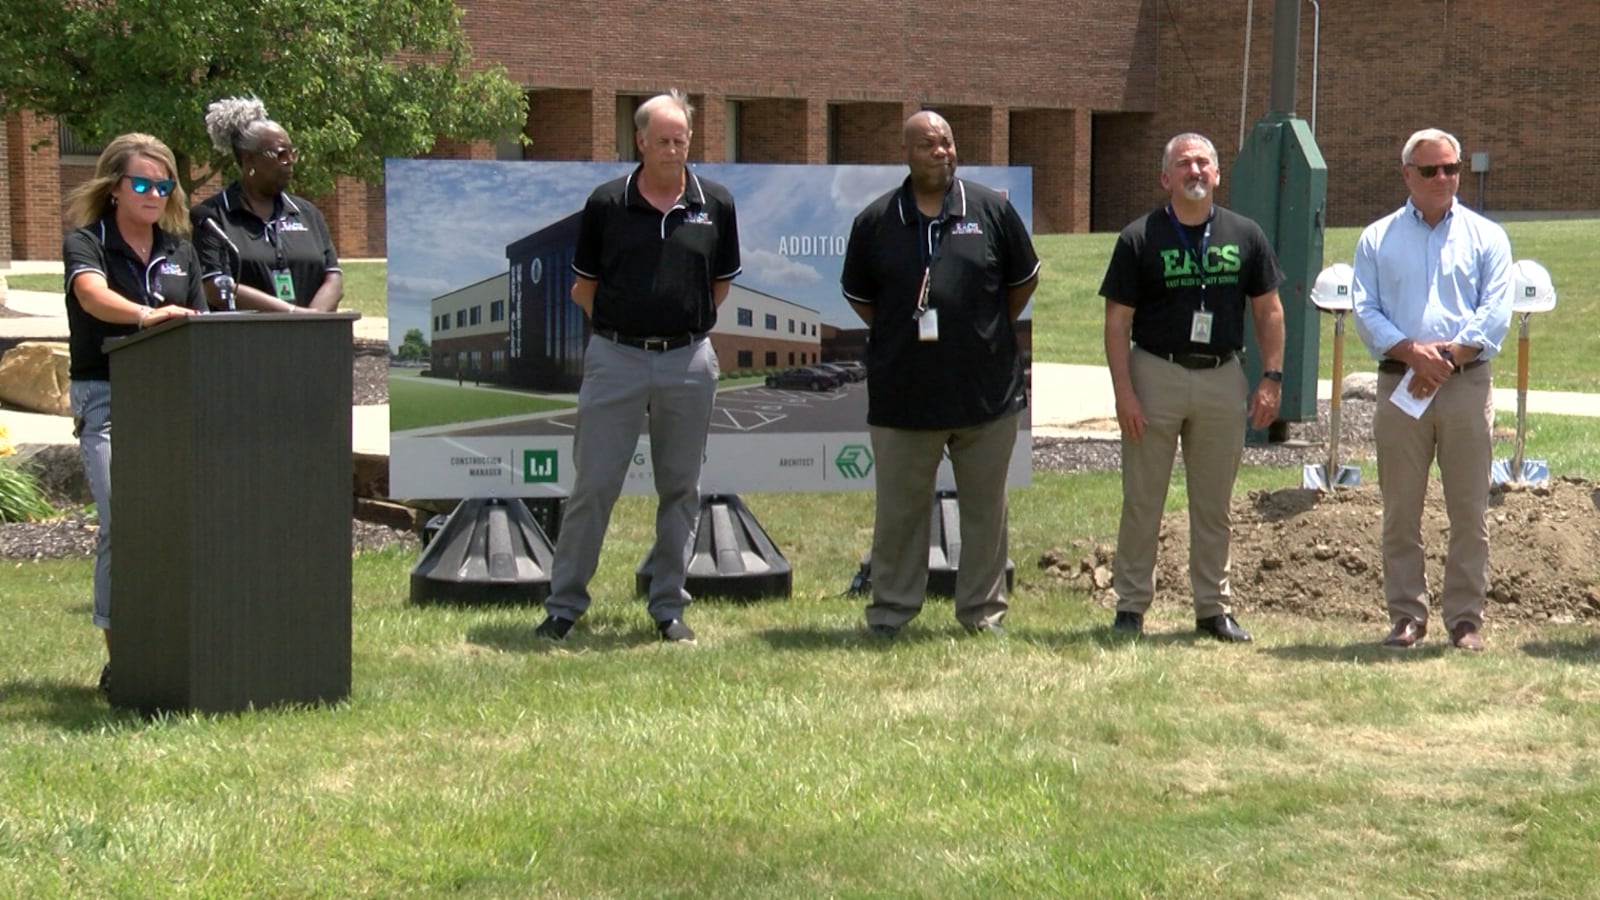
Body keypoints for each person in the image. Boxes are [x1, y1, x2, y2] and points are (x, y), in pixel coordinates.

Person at [534, 90, 740, 644]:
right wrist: (626, 328)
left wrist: (681, 324)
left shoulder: (715, 203)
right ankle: (564, 605)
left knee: (681, 488)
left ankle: (668, 606)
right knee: (594, 485)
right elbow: (583, 288)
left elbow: (718, 285)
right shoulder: (606, 204)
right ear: (640, 142)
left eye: (683, 139)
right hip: (616, 359)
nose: (674, 149)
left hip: (689, 361)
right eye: (663, 140)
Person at [839, 110, 1040, 638]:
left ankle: (982, 613)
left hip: (985, 395)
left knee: (985, 514)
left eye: (948, 142)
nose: (942, 152)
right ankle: (891, 612)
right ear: (906, 152)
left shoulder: (992, 210)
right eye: (929, 144)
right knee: (900, 515)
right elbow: (864, 301)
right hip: (904, 397)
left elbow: (1021, 285)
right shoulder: (876, 221)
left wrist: (975, 329)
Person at [1099, 132, 1285, 642]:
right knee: (1142, 499)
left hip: (1222, 375)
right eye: (1183, 164)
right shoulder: (1139, 237)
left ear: (1218, 174)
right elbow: (1117, 322)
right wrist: (1124, 393)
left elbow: (1269, 310)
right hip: (1155, 371)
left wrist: (1271, 377)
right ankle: (1131, 607)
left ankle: (1213, 609)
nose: (1195, 171)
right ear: (1166, 178)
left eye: (1203, 162)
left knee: (1214, 504)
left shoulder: (1245, 234)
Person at [1351, 128, 1512, 652]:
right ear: (1407, 175)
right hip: (1402, 385)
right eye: (1430, 170)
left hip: (1466, 385)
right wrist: (1410, 352)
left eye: (1451, 168)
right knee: (1401, 509)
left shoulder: (1487, 237)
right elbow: (1365, 309)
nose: (1443, 178)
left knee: (1469, 509)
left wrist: (1448, 357)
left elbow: (1495, 310)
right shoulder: (1377, 238)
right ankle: (1406, 616)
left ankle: (1465, 620)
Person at [62, 133, 206, 691]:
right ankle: (122, 659)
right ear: (115, 189)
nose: (152, 194)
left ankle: (177, 646)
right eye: (141, 183)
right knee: (123, 524)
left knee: (180, 526)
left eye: (162, 184)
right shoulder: (87, 241)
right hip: (108, 399)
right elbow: (93, 296)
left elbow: (197, 318)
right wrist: (147, 317)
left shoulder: (180, 248)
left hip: (174, 399)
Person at [191, 96, 342, 312]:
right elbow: (215, 287)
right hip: (246, 341)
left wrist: (311, 320)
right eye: (281, 154)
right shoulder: (212, 217)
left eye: (293, 153)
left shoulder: (307, 213)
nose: (290, 161)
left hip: (310, 338)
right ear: (249, 159)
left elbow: (333, 278)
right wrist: (291, 314)